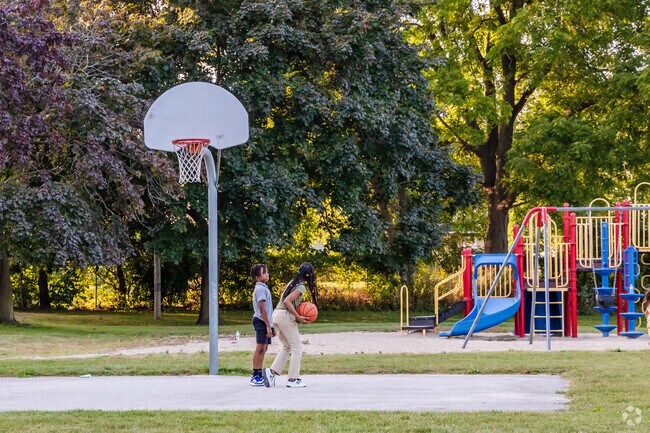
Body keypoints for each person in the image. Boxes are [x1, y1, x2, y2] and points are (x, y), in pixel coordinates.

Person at [263, 262, 318, 388]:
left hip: (277, 315)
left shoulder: (292, 283)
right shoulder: (300, 287)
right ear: (309, 274)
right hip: (285, 317)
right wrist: (298, 316)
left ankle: (271, 372)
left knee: (287, 346)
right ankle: (293, 379)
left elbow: (285, 300)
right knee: (297, 347)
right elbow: (287, 301)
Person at [250, 263, 274, 387]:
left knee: (264, 348)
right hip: (261, 321)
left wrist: (271, 325)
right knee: (260, 348)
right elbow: (262, 309)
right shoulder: (260, 289)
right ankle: (255, 375)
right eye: (264, 272)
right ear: (257, 276)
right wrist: (268, 325)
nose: (267, 274)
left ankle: (259, 372)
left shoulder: (264, 287)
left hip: (266, 321)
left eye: (267, 272)